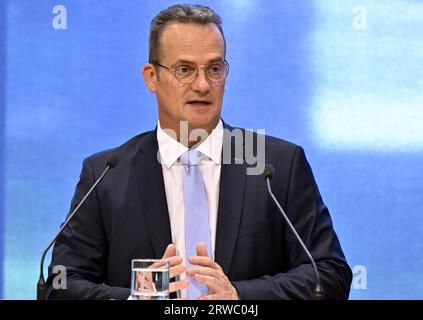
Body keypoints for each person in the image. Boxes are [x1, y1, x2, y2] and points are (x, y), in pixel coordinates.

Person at [46, 4, 352, 300]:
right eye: (185, 70)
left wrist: (240, 296)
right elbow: (60, 284)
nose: (203, 85)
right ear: (152, 77)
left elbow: (330, 275)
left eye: (214, 68)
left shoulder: (276, 167)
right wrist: (138, 300)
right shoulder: (107, 175)